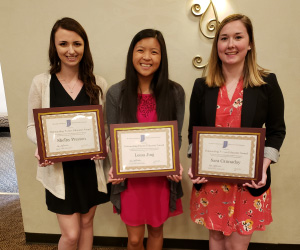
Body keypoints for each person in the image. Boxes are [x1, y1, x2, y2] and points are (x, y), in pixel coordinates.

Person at [188, 14, 286, 250]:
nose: (230, 44)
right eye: (224, 38)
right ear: (217, 45)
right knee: (216, 240)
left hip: (250, 181)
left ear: (250, 43)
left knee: (237, 245)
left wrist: (262, 168)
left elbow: (276, 131)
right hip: (212, 180)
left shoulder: (266, 83)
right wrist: (194, 164)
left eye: (238, 37)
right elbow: (194, 132)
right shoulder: (202, 86)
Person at [27, 17, 111, 250]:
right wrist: (42, 143)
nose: (71, 50)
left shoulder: (99, 84)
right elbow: (31, 127)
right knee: (71, 234)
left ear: (85, 46)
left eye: (77, 43)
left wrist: (103, 145)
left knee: (86, 223)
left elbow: (104, 129)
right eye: (63, 44)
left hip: (90, 169)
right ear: (54, 47)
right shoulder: (41, 84)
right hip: (59, 170)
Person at [106, 29, 185, 250]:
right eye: (140, 50)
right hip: (131, 179)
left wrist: (174, 163)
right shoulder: (116, 93)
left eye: (154, 52)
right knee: (134, 239)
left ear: (162, 57)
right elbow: (113, 137)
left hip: (160, 177)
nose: (147, 57)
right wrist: (115, 165)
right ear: (132, 54)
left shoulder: (175, 92)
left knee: (157, 229)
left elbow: (176, 135)